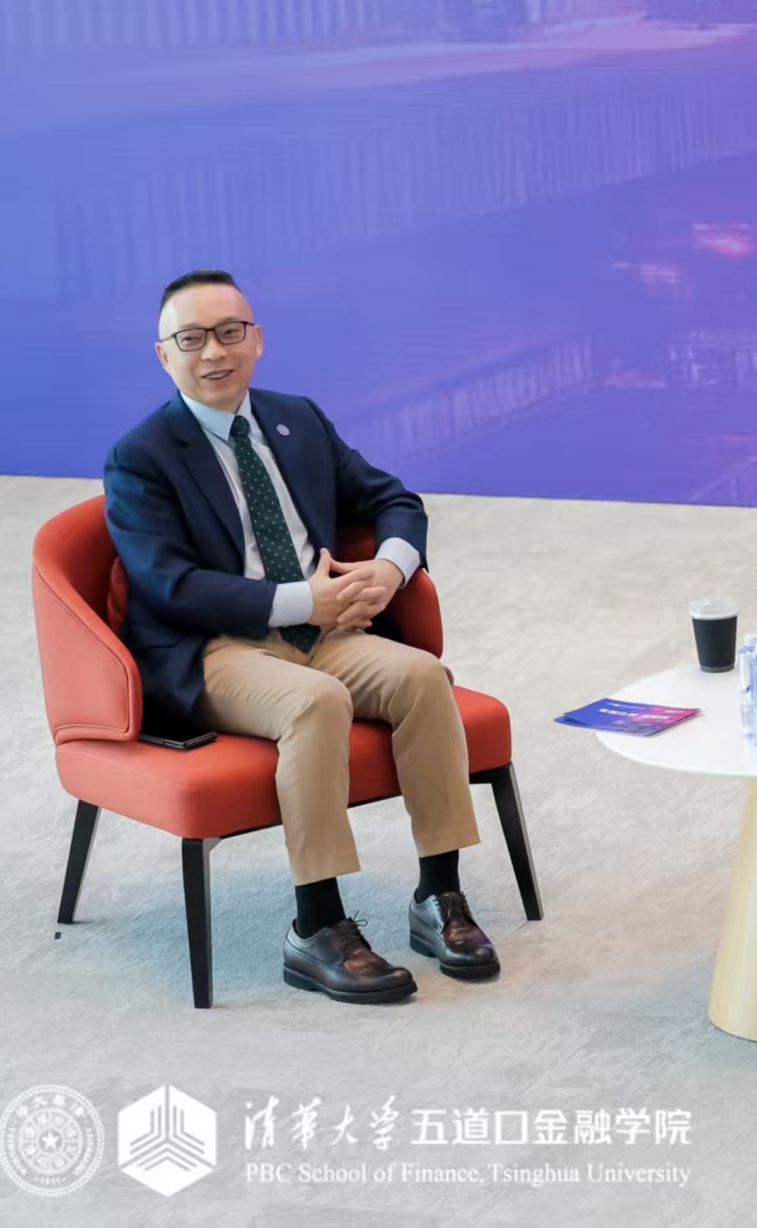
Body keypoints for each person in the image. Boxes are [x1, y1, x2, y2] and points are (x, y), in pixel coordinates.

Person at [104, 270, 498, 1004]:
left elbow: (393, 499)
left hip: (324, 629)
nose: (214, 352)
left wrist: (389, 570)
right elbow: (168, 585)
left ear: (257, 340)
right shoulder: (141, 456)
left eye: (230, 332)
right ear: (164, 355)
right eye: (191, 338)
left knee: (422, 678)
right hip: (215, 648)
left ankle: (438, 895)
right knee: (315, 701)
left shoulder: (297, 419)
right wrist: (299, 599)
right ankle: (317, 926)